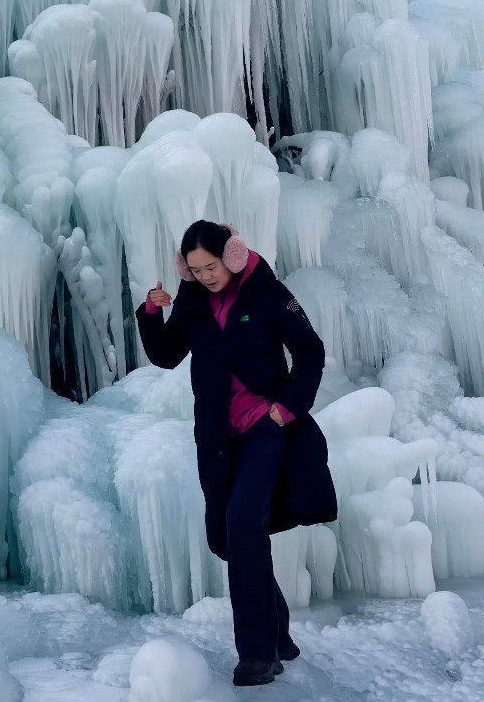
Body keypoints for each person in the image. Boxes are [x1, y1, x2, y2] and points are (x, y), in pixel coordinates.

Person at [134, 220, 337, 687]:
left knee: (245, 525)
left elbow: (310, 351)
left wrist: (286, 410)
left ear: (232, 255)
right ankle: (278, 630)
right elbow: (167, 354)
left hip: (266, 432)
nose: (206, 276)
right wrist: (151, 311)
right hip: (217, 439)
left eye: (211, 266)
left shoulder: (269, 292)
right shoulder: (193, 300)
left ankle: (258, 655)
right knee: (228, 539)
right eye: (196, 269)